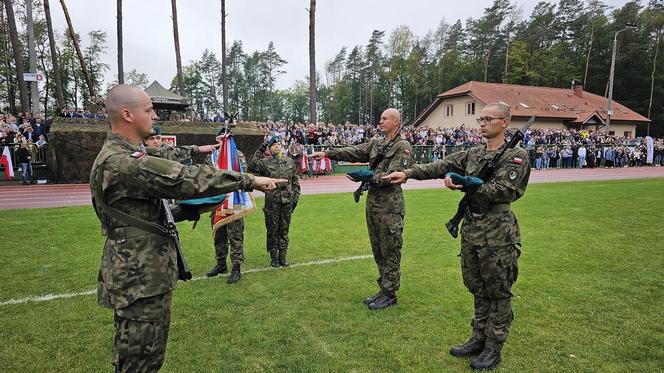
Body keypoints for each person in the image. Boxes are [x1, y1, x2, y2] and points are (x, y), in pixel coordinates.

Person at [90, 84, 285, 372]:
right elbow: (186, 179)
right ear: (128, 114)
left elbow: (139, 213)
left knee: (143, 356)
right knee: (140, 362)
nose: (155, 116)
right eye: (149, 110)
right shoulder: (121, 162)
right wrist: (248, 180)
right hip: (139, 276)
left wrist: (187, 210)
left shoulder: (124, 156)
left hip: (140, 272)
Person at [383, 103, 530, 370]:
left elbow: (506, 190)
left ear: (505, 122)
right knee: (477, 285)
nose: (482, 123)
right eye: (480, 118)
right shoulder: (474, 153)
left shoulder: (516, 156)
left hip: (498, 230)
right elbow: (441, 165)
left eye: (488, 119)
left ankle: (493, 346)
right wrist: (408, 173)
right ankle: (478, 338)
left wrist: (469, 183)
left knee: (497, 289)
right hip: (472, 227)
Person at [311, 108, 413, 310]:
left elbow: (394, 175)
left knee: (390, 249)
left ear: (396, 122)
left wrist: (367, 177)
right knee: (378, 249)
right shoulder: (377, 142)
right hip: (374, 203)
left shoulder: (403, 146)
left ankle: (390, 293)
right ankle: (383, 288)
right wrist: (328, 153)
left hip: (390, 206)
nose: (380, 120)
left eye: (385, 118)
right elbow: (355, 151)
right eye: (380, 117)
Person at [249, 135, 301, 267]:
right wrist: (261, 149)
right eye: (274, 144)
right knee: (272, 229)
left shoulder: (289, 162)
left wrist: (295, 198)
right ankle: (274, 257)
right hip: (272, 202)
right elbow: (252, 165)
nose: (277, 145)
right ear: (270, 148)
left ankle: (283, 256)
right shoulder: (265, 162)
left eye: (279, 143)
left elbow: (295, 182)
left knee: (284, 229)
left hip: (287, 201)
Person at [206, 128, 246, 284]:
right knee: (219, 234)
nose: (223, 140)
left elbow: (243, 175)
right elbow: (206, 176)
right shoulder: (211, 157)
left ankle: (236, 267)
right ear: (217, 139)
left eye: (226, 137)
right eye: (220, 137)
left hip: (233, 201)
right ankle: (221, 263)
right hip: (216, 203)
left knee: (235, 236)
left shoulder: (237, 154)